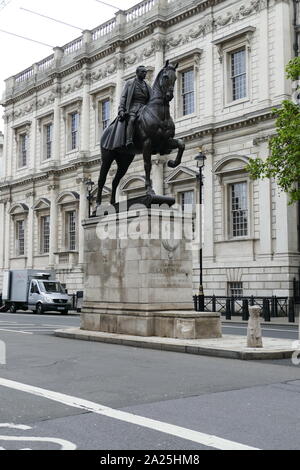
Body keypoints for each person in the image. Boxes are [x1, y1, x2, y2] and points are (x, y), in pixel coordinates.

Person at [118, 65, 152, 150]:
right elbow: (123, 97)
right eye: (143, 72)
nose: (145, 74)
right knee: (132, 120)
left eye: (145, 72)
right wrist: (121, 109)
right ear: (137, 73)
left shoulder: (147, 86)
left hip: (144, 107)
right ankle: (129, 140)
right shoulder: (129, 83)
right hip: (133, 107)